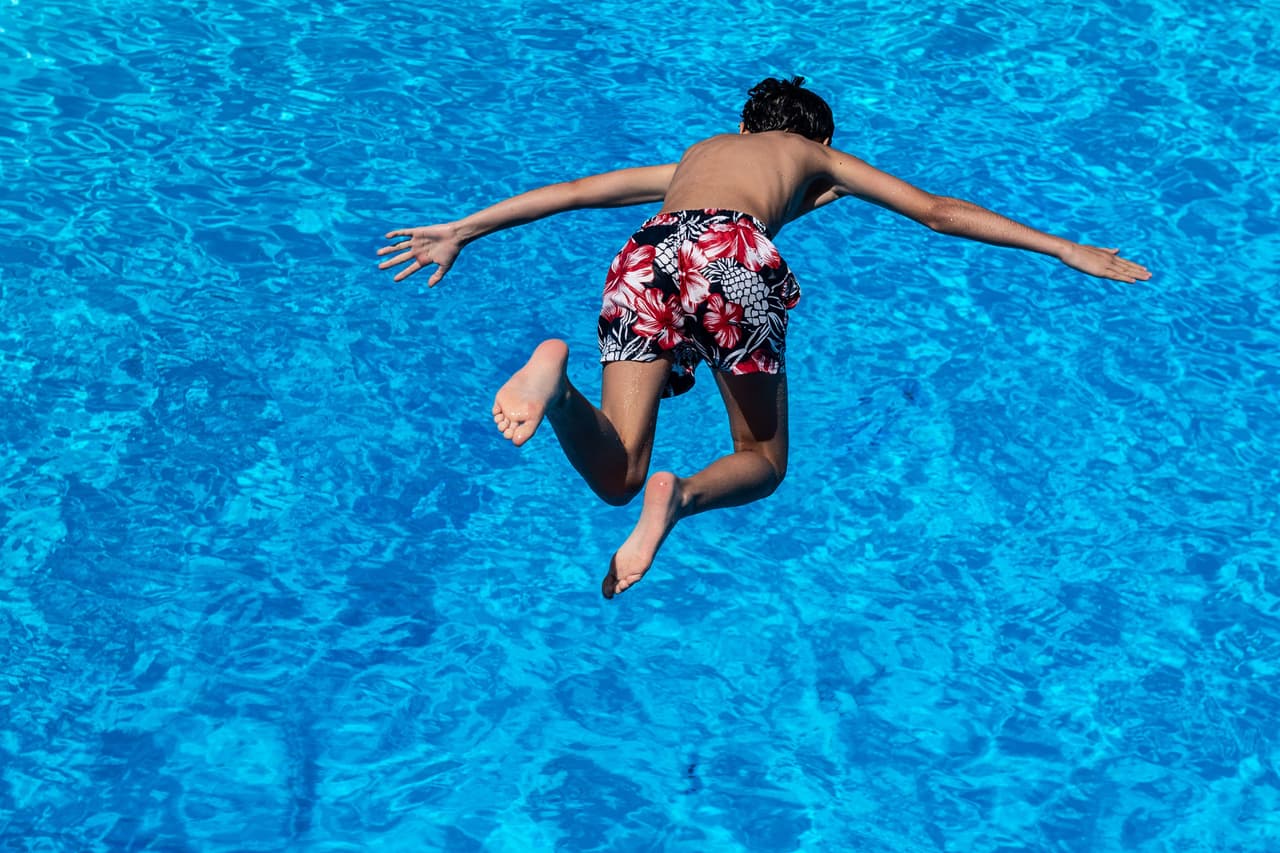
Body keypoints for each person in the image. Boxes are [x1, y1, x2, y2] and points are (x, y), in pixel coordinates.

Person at [377, 76, 1151, 600]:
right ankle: (678, 500)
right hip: (730, 254)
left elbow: (578, 193)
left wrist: (464, 229)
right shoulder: (815, 160)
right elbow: (937, 210)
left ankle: (555, 380)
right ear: (812, 147)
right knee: (764, 460)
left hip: (645, 252)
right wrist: (1060, 246)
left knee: (615, 472)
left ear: (746, 125)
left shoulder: (696, 155)